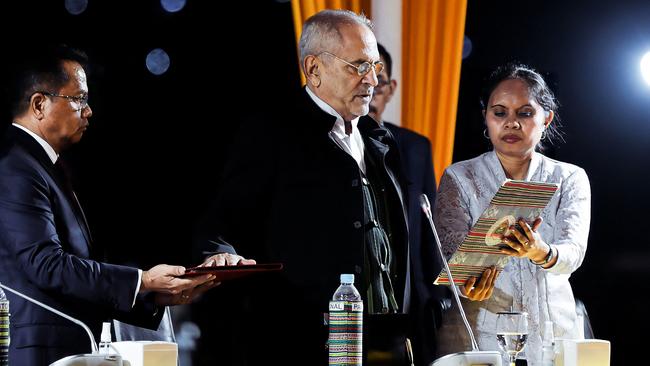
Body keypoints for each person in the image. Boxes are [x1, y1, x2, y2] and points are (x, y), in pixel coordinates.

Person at [195, 9, 434, 365]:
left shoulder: (380, 141)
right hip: (300, 343)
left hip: (387, 345)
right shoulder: (271, 133)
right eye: (357, 66)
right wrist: (219, 251)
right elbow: (222, 221)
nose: (371, 79)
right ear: (313, 69)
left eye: (374, 67)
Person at [0, 44, 219, 366]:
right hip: (43, 351)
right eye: (79, 99)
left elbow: (72, 277)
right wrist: (142, 280)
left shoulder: (42, 165)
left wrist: (153, 295)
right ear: (38, 104)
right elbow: (45, 265)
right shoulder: (15, 166)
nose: (88, 111)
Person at [433, 63, 590, 366]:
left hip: (554, 335)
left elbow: (574, 253)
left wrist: (539, 251)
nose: (511, 123)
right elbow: (452, 260)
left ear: (547, 118)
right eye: (500, 112)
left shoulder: (569, 177)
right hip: (479, 337)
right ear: (486, 119)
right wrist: (467, 285)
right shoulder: (460, 177)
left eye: (525, 113)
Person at [368, 42, 443, 363]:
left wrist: (437, 302)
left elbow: (429, 232)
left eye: (379, 81)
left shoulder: (415, 147)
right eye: (362, 76)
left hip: (410, 313)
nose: (371, 89)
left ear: (391, 88)